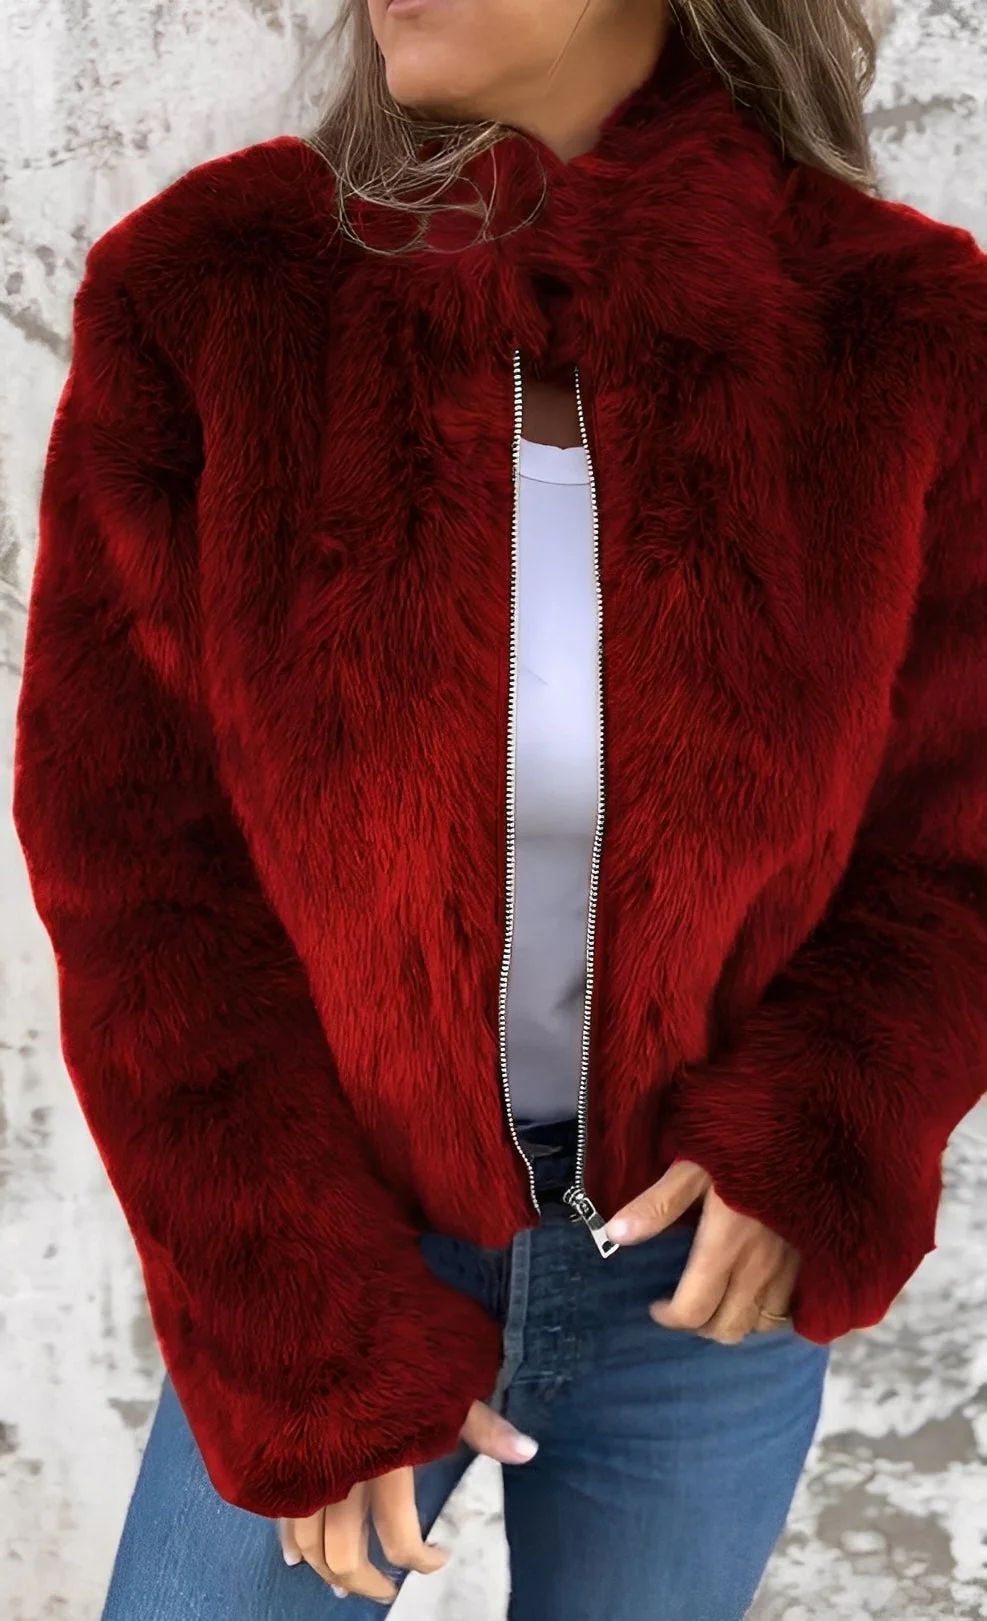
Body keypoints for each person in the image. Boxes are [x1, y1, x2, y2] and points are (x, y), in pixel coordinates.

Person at [13, 0, 987, 1616]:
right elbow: (134, 872)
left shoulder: (900, 329)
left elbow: (957, 840)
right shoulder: (214, 295)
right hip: (332, 1250)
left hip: (701, 1284)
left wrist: (815, 1133)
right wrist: (301, 1332)